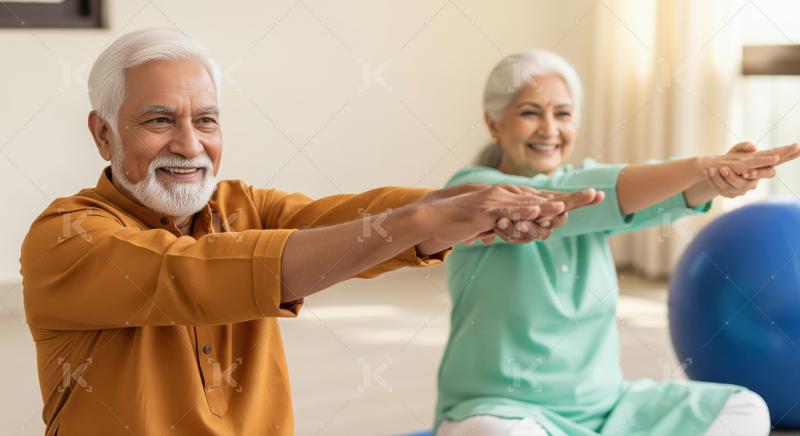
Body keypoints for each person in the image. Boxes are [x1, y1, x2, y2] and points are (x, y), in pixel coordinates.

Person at [19, 30, 603, 435]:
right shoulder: (65, 238)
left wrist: (464, 205)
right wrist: (425, 220)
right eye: (158, 121)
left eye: (206, 120)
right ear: (102, 135)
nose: (190, 145)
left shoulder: (239, 204)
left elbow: (348, 220)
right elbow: (192, 273)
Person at [434, 49, 800, 436]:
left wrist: (716, 177)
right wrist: (699, 167)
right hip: (502, 411)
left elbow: (649, 198)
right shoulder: (470, 193)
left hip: (608, 411)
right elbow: (593, 195)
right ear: (494, 124)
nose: (549, 128)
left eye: (562, 113)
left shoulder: (589, 191)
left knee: (744, 409)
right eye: (530, 112)